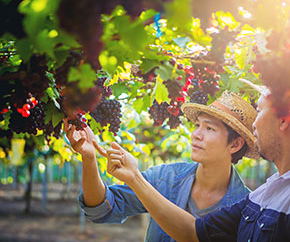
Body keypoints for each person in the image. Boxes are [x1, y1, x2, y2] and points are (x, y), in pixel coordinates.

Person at [103, 68, 290, 241]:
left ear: (283, 120)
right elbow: (194, 233)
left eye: (260, 110)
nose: (254, 123)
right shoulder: (268, 193)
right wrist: (134, 178)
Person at [64, 91, 258, 242]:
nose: (196, 134)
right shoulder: (165, 178)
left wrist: (135, 177)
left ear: (235, 144)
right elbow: (102, 208)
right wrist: (89, 158)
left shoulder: (247, 208)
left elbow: (192, 234)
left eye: (209, 128)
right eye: (197, 125)